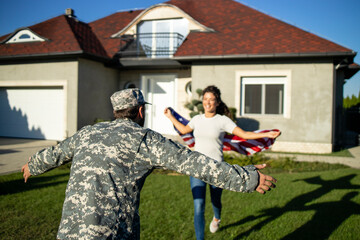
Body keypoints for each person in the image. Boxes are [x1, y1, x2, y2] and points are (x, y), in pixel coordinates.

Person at [22, 88, 277, 240]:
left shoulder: (88, 133)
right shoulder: (144, 139)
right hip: (112, 234)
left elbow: (55, 154)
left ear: (116, 111)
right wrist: (248, 178)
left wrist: (31, 165)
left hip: (69, 232)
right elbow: (196, 163)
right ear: (140, 112)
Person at [164, 85, 280, 240]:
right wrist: (170, 116)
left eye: (212, 100)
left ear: (217, 102)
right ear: (202, 101)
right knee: (198, 206)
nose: (208, 103)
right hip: (196, 169)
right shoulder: (197, 119)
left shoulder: (222, 120)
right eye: (205, 99)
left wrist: (267, 134)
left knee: (216, 200)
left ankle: (217, 218)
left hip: (218, 169)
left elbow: (243, 134)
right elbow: (184, 130)